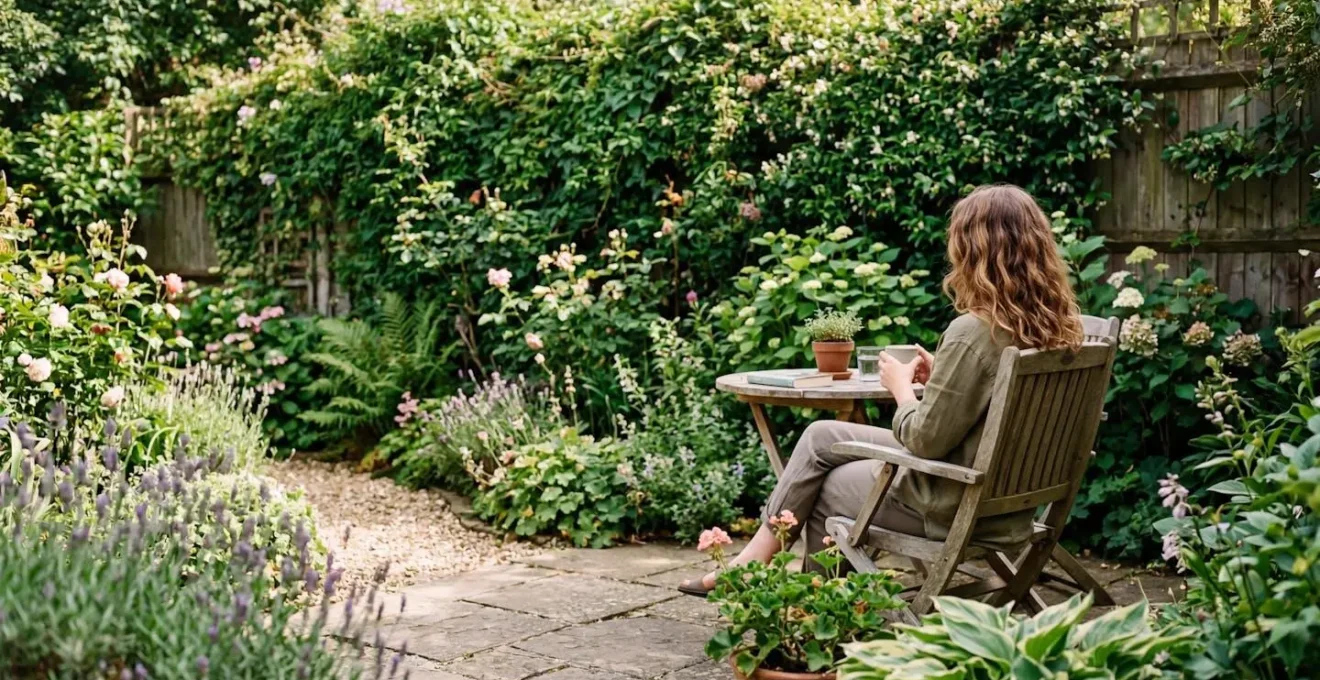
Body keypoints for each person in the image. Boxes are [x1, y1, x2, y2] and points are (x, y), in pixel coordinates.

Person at [679, 184, 1084, 596]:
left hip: (951, 503)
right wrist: (942, 378)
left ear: (972, 251)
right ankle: (752, 561)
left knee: (827, 487)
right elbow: (985, 415)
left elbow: (924, 440)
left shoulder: (971, 333)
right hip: (1007, 502)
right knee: (822, 436)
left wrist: (902, 390)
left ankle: (821, 615)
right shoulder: (1060, 331)